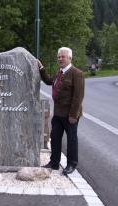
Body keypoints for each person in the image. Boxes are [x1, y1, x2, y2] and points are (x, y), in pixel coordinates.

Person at [37, 47, 85, 175]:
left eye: (63, 57)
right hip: (58, 114)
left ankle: (71, 164)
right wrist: (41, 68)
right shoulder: (59, 73)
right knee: (55, 138)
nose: (60, 59)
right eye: (59, 57)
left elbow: (78, 96)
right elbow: (48, 81)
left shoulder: (77, 73)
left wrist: (73, 115)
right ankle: (54, 163)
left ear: (70, 58)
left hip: (70, 115)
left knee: (71, 140)